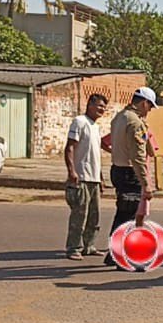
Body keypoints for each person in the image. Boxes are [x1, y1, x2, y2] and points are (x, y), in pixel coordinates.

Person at [105, 87, 157, 267]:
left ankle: (113, 253)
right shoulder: (135, 123)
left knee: (122, 214)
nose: (149, 110)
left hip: (117, 169)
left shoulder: (119, 117)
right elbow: (138, 156)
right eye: (150, 106)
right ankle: (121, 257)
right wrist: (146, 183)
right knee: (128, 218)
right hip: (130, 172)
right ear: (144, 103)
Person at [64, 93, 108, 260]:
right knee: (79, 215)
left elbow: (95, 155)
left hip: (94, 179)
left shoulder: (95, 127)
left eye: (104, 107)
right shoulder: (79, 122)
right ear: (90, 104)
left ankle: (89, 245)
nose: (102, 109)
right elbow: (69, 148)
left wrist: (101, 177)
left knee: (94, 217)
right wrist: (72, 171)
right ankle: (73, 248)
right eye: (99, 106)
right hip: (81, 177)